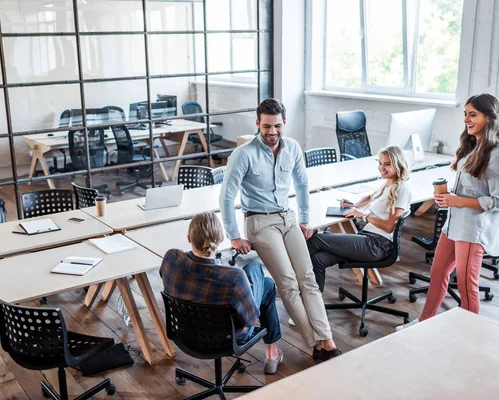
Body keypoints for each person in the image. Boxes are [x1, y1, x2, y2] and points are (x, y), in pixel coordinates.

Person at [220, 98, 341, 362]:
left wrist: (305, 218)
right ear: (257, 124)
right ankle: (315, 343)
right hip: (259, 223)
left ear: (284, 123)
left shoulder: (293, 148)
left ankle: (327, 339)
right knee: (287, 283)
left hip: (287, 217)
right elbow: (227, 197)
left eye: (276, 126)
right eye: (266, 126)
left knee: (307, 278)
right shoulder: (243, 154)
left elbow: (302, 183)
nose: (271, 132)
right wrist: (234, 235)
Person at [397, 93, 499, 330]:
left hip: (472, 230)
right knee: (438, 274)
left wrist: (458, 200)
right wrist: (450, 196)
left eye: (473, 115)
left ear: (489, 118)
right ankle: (424, 323)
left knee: (466, 287)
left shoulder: (497, 154)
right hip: (454, 225)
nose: (467, 120)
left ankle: (466, 336)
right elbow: (471, 189)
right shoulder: (474, 147)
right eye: (465, 114)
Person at [160, 212, 284, 374]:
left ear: (189, 238)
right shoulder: (233, 278)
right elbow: (251, 319)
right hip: (226, 339)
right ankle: (271, 353)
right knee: (263, 280)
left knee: (263, 282)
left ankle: (272, 353)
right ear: (221, 240)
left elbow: (165, 277)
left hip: (185, 333)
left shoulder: (171, 258)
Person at [307, 145, 412, 291]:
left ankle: (291, 283)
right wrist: (354, 204)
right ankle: (314, 308)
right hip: (368, 239)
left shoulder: (401, 189)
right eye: (380, 163)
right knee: (319, 259)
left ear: (398, 164)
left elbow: (389, 226)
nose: (381, 167)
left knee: (314, 239)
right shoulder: (388, 185)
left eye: (387, 164)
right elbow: (370, 196)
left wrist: (364, 215)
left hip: (377, 245)